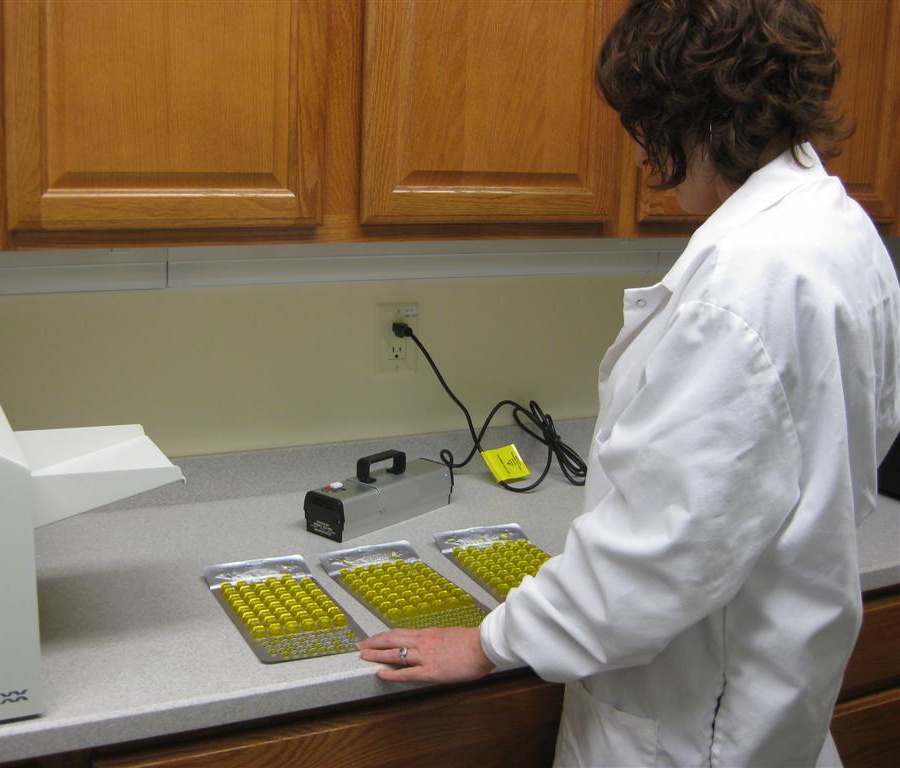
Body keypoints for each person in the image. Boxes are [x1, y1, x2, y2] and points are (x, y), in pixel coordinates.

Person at [357, 1, 900, 765]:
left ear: (701, 112)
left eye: (647, 124)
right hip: (775, 705)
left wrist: (488, 642)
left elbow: (653, 557)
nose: (643, 156)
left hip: (688, 731)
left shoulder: (744, 286)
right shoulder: (840, 229)